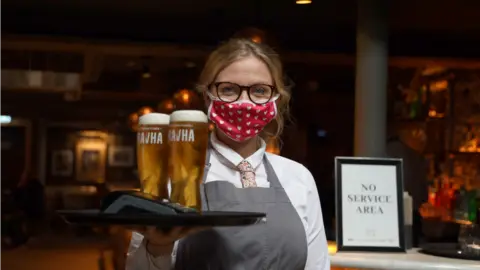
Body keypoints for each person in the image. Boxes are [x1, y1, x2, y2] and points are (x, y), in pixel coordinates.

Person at [126, 38, 330, 270]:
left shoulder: (298, 178)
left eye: (260, 90)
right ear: (208, 97)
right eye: (229, 90)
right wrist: (158, 247)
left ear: (275, 99)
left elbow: (317, 266)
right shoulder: (171, 178)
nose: (244, 102)